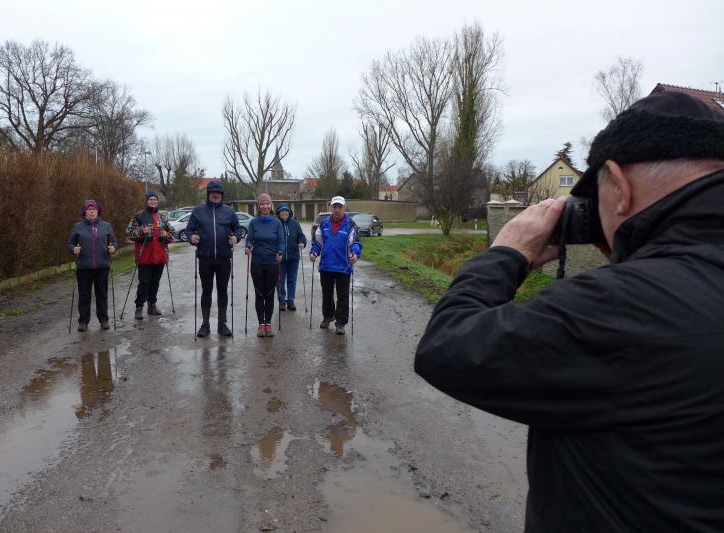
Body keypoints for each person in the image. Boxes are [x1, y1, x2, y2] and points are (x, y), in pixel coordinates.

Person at [414, 91, 724, 531]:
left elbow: (449, 345)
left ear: (618, 184)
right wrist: (629, 250)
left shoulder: (620, 307)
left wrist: (507, 252)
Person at [186, 180, 245, 337]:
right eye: (213, 192)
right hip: (205, 258)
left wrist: (237, 237)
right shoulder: (198, 211)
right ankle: (205, 324)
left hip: (224, 258)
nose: (215, 195)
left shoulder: (229, 211)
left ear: (222, 195)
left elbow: (238, 229)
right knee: (206, 291)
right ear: (208, 194)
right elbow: (189, 230)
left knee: (222, 291)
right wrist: (191, 238)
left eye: (218, 193)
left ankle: (222, 324)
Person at [309, 196, 361, 335]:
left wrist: (355, 254)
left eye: (340, 207)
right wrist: (314, 252)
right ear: (331, 208)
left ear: (344, 208)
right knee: (327, 294)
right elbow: (317, 242)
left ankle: (340, 323)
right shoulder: (324, 225)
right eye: (335, 207)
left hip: (344, 266)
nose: (337, 210)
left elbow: (355, 243)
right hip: (326, 266)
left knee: (342, 296)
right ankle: (328, 316)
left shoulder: (350, 225)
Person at [68, 199, 118, 331]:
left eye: (94, 210)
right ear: (85, 212)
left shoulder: (106, 226)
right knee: (84, 295)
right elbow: (71, 243)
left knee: (102, 295)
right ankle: (83, 322)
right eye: (89, 210)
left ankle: (104, 320)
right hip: (84, 266)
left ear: (97, 211)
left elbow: (114, 242)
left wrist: (113, 248)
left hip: (102, 266)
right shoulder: (78, 226)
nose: (91, 212)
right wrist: (73, 249)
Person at [126, 192, 173, 320]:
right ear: (146, 201)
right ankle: (139, 308)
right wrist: (141, 231)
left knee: (155, 282)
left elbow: (172, 234)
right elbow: (129, 233)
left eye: (155, 199)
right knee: (144, 283)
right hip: (144, 256)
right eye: (151, 199)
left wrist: (166, 235)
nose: (153, 201)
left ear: (157, 202)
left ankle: (152, 305)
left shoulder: (162, 217)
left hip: (160, 256)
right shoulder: (138, 216)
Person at [245, 193, 283, 337]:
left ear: (271, 205)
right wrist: (248, 246)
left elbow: (281, 241)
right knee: (260, 293)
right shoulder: (254, 222)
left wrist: (281, 252)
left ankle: (269, 324)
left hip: (272, 262)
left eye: (267, 203)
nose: (265, 206)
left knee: (270, 293)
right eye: (262, 204)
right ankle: (261, 325)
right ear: (259, 206)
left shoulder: (276, 222)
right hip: (257, 262)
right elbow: (249, 239)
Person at [275, 203, 307, 311]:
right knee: (280, 281)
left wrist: (302, 242)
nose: (284, 213)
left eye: (286, 211)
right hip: (280, 258)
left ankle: (290, 301)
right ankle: (282, 301)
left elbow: (301, 236)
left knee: (292, 280)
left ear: (289, 212)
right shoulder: (276, 224)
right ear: (279, 213)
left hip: (293, 258)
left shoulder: (295, 224)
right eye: (282, 211)